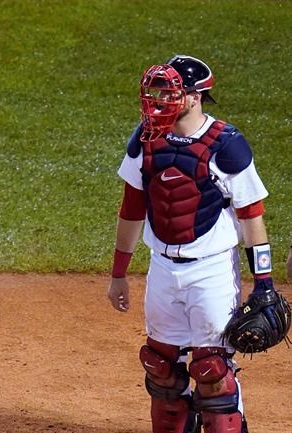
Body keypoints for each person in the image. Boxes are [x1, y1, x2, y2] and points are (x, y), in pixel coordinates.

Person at [107, 55, 278, 433]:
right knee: (160, 367)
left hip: (211, 270)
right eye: (158, 90)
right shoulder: (146, 138)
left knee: (212, 370)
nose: (159, 99)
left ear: (195, 96)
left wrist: (263, 283)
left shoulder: (226, 145)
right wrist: (119, 273)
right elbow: (131, 209)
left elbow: (252, 217)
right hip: (163, 268)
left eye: (170, 91)